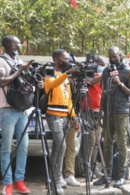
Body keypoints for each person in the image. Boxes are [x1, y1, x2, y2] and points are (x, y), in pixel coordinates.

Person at [94, 46, 130, 188]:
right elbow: (104, 93)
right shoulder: (106, 71)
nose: (112, 59)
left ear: (120, 56)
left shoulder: (128, 71)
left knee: (121, 144)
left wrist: (120, 84)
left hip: (122, 112)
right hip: (108, 112)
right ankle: (107, 174)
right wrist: (100, 113)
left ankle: (121, 175)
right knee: (107, 144)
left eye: (114, 57)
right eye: (110, 57)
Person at [44, 49, 79, 194]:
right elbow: (49, 86)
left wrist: (74, 116)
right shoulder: (49, 71)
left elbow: (68, 99)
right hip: (54, 115)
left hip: (65, 116)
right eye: (65, 58)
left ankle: (55, 178)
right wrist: (67, 73)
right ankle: (56, 180)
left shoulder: (64, 77)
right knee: (61, 146)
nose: (68, 60)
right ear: (58, 60)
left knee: (60, 147)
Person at [0, 35, 32, 195]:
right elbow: (2, 82)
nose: (21, 47)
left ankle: (19, 180)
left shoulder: (18, 62)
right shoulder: (1, 61)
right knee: (6, 148)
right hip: (6, 109)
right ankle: (8, 184)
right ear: (12, 46)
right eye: (19, 44)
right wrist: (20, 70)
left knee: (23, 147)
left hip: (22, 110)